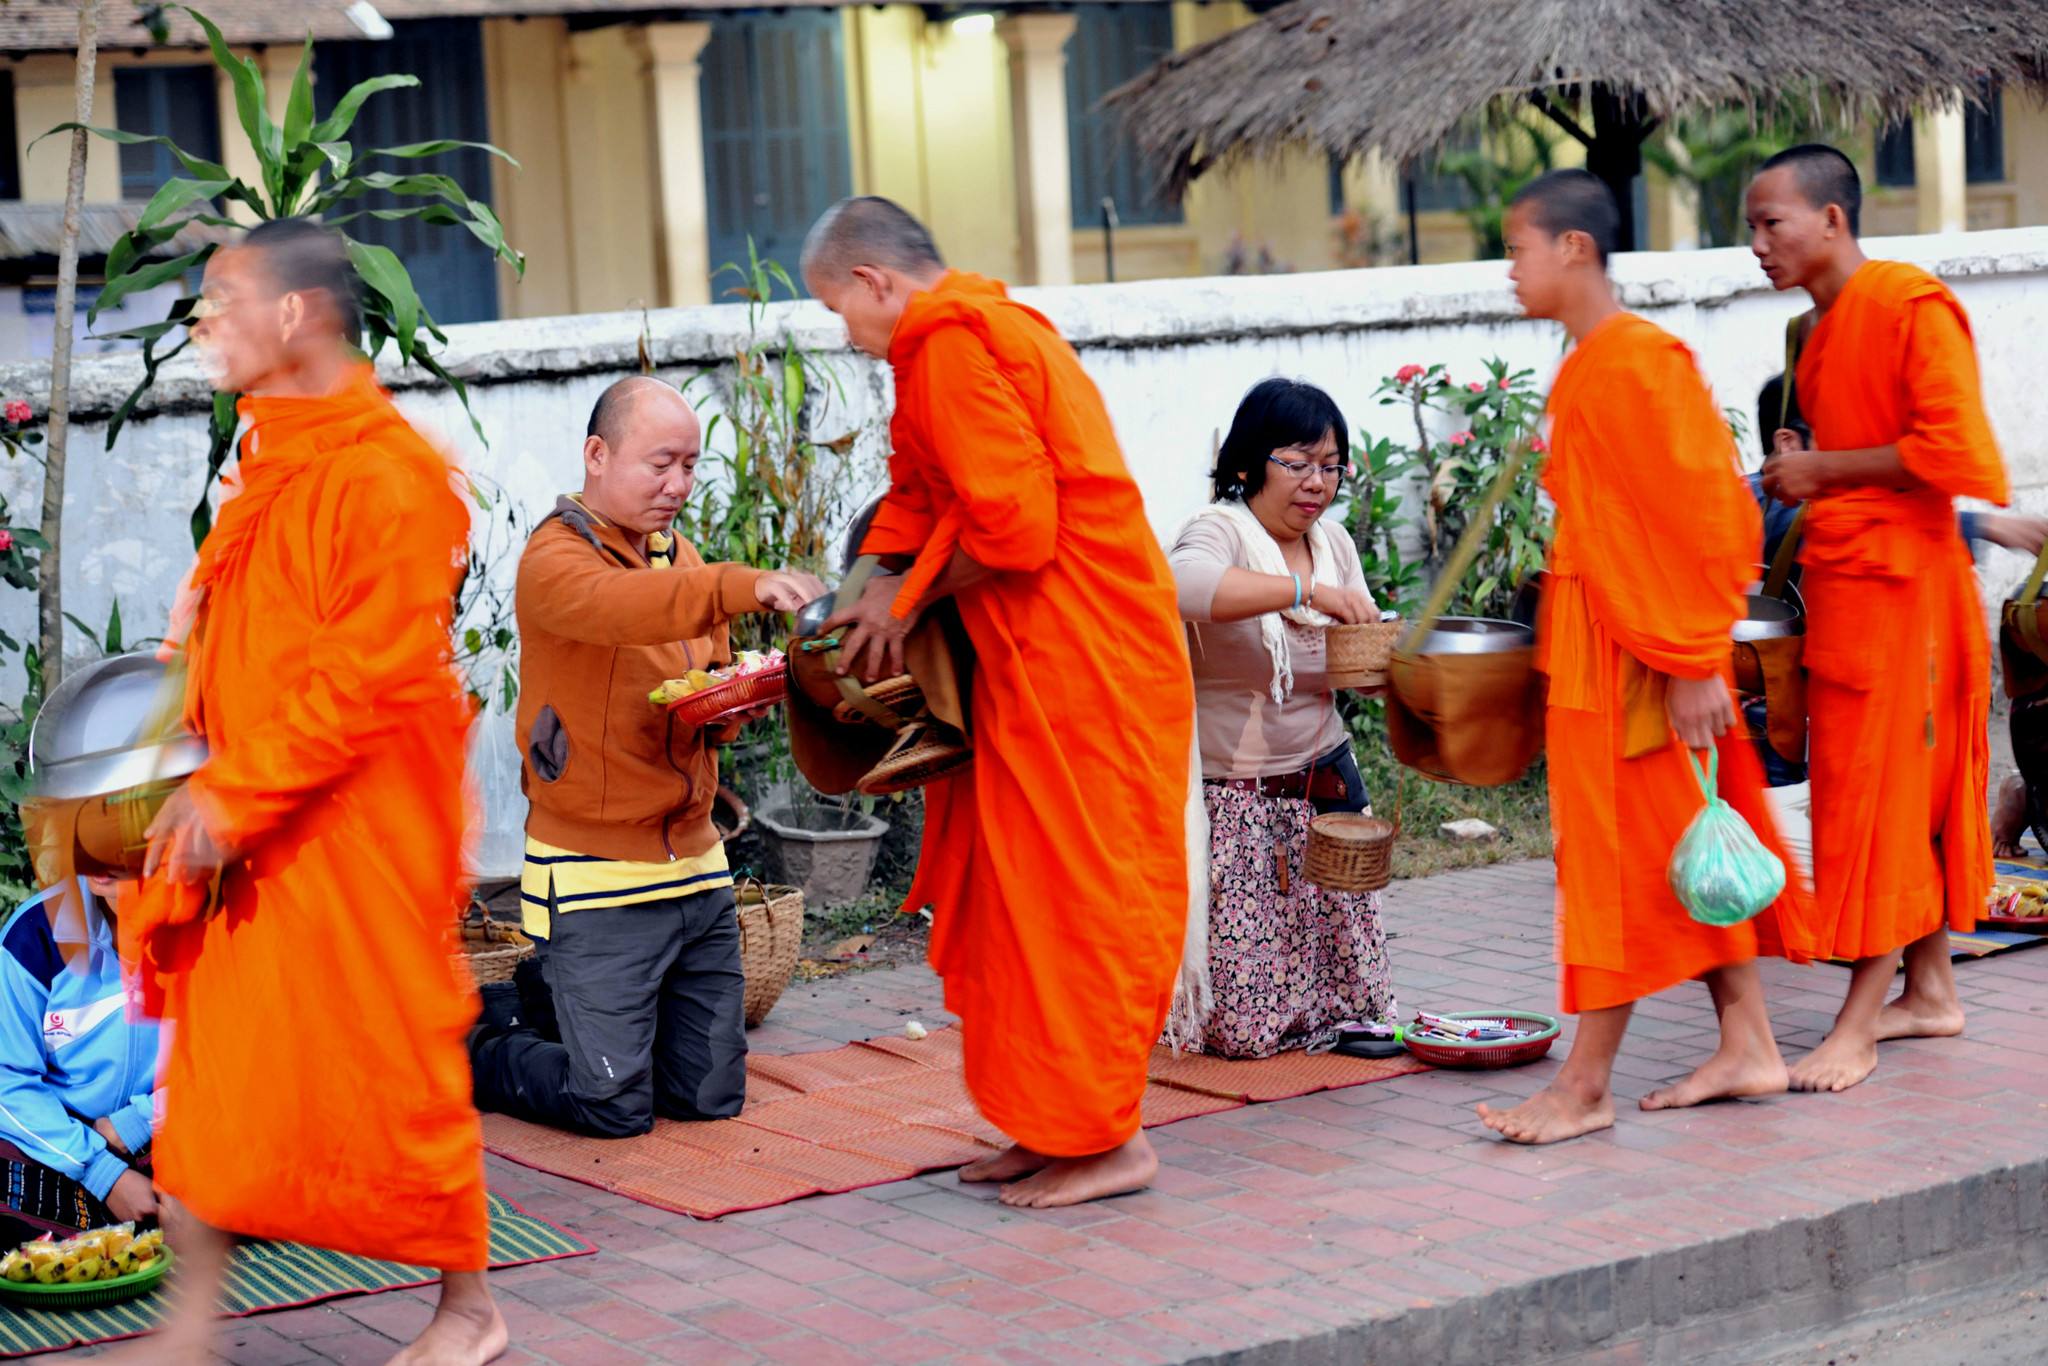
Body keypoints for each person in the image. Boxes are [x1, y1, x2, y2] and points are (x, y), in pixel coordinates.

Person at [127, 218, 504, 1365]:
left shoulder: (386, 475)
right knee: (214, 1084)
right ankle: (189, 1329)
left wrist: (233, 795)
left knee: (394, 1074)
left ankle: (471, 1311)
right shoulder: (278, 453)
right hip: (254, 825)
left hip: (345, 832)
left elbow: (364, 675)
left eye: (220, 300)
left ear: (293, 314)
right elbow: (261, 618)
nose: (203, 326)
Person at [802, 196, 1195, 1208]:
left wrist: (908, 596)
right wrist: (868, 588)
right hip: (1024, 664)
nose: (841, 332)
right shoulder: (945, 348)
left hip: (1079, 661)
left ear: (874, 281)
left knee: (1073, 902)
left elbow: (1015, 532)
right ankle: (1045, 1122)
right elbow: (919, 496)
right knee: (1014, 901)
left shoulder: (956, 347)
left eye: (836, 308)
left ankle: (1109, 1138)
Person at [1477, 170, 1810, 1145]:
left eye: (1517, 249)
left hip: (1639, 653)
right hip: (1605, 641)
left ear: (1571, 249)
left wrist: (1688, 656)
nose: (1508, 271)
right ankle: (1746, 1041)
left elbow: (1708, 510)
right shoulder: (1589, 363)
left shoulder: (1635, 361)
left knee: (1619, 867)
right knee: (1679, 849)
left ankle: (1582, 1085)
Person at [468, 378, 821, 1136]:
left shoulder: (677, 553)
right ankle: (483, 1040)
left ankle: (564, 1005)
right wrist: (739, 585)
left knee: (708, 1096)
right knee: (612, 1107)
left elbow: (703, 671)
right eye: (661, 464)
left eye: (691, 467)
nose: (679, 485)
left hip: (695, 864)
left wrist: (732, 709)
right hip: (596, 874)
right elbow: (626, 609)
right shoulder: (554, 561)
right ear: (597, 455)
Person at [1747, 144, 2011, 1091]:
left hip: (1911, 598)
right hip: (1852, 589)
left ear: (1832, 219)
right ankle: (1929, 990)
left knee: (1887, 805)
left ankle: (1860, 1018)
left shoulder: (1907, 303)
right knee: (1875, 796)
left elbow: (1955, 452)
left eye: (1771, 222)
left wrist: (1822, 470)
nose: (1758, 245)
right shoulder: (1815, 336)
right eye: (1750, 228)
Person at [1168, 377, 1395, 1058]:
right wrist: (1305, 591)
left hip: (1323, 781)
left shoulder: (1334, 546)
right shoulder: (1219, 532)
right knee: (1242, 1031)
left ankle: (1334, 1016)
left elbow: (1356, 655)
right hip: (1236, 795)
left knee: (1358, 1005)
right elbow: (1180, 588)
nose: (1315, 483)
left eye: (1330, 466)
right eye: (1296, 464)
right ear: (1245, 465)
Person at [0, 878, 158, 1238]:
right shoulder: (37, 932)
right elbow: (7, 1078)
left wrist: (140, 1122)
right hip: (60, 1141)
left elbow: (245, 1061)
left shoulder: (218, 926)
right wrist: (102, 1172)